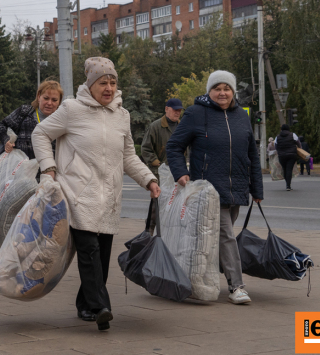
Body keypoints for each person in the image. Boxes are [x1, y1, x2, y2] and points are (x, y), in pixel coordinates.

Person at [32, 57, 161, 331]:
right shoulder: (71, 109)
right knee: (89, 251)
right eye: (103, 82)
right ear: (90, 85)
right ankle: (101, 307)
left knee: (101, 256)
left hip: (110, 197)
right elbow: (40, 133)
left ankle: (85, 304)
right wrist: (49, 169)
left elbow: (128, 156)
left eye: (113, 82)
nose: (109, 87)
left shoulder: (121, 115)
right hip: (77, 193)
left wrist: (148, 179)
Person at [166, 70, 264, 305]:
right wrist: (181, 173)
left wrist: (257, 190)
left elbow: (252, 153)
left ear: (233, 92)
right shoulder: (196, 114)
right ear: (209, 92)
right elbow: (174, 146)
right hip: (208, 190)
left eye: (227, 88)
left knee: (217, 238)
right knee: (226, 235)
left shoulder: (241, 115)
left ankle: (193, 278)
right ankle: (236, 286)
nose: (222, 93)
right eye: (217, 88)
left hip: (237, 188)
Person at [141, 98, 183, 235]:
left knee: (174, 207)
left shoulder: (182, 126)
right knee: (156, 207)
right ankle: (148, 235)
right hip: (160, 174)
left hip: (177, 174)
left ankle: (167, 236)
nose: (177, 112)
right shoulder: (156, 126)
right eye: (174, 109)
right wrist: (158, 164)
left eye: (179, 110)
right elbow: (146, 149)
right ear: (166, 109)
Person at [0, 80, 63, 159]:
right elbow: (1, 126)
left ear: (59, 102)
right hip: (20, 168)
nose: (49, 103)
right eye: (46, 98)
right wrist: (6, 140)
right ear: (38, 97)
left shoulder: (62, 121)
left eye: (54, 100)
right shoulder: (24, 112)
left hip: (49, 170)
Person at [274, 124, 302, 190]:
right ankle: (288, 186)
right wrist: (300, 149)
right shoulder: (293, 135)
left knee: (285, 169)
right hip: (291, 155)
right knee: (289, 169)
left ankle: (287, 184)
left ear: (281, 129)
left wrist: (280, 151)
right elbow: (298, 143)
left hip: (282, 156)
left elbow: (276, 146)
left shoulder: (277, 137)